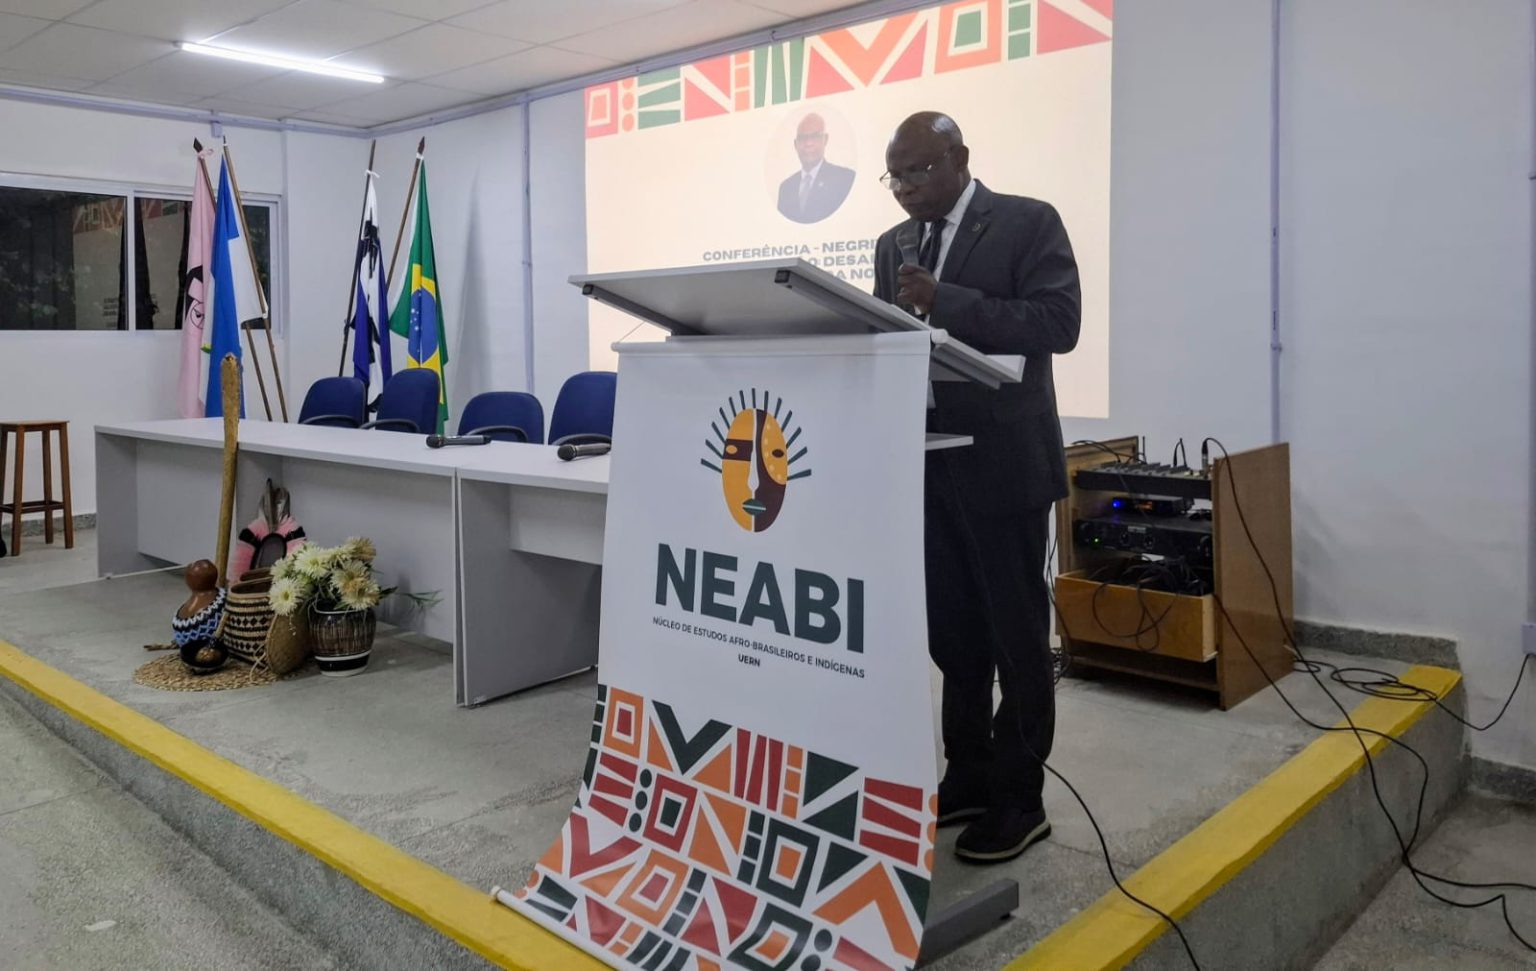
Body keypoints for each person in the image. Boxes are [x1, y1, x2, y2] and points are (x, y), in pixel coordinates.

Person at [873, 111, 1081, 863]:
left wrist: (946, 301)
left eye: (919, 170)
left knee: (1016, 639)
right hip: (928, 464)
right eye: (895, 176)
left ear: (960, 158)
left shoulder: (1026, 222)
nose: (905, 188)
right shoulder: (891, 244)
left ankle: (1020, 798)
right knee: (954, 637)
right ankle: (968, 775)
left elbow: (1057, 323)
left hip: (1004, 466)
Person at [777, 113, 856, 224]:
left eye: (815, 136)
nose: (808, 143)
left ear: (825, 139)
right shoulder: (786, 188)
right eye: (802, 138)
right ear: (795, 144)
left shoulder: (844, 179)